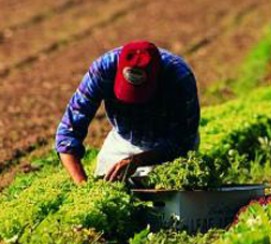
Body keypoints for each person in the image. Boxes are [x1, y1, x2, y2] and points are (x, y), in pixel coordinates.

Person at [55, 40, 200, 184]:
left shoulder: (179, 78)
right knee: (107, 183)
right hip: (123, 141)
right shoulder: (104, 69)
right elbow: (69, 131)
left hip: (166, 146)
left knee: (164, 197)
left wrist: (139, 160)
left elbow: (182, 141)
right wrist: (82, 185)